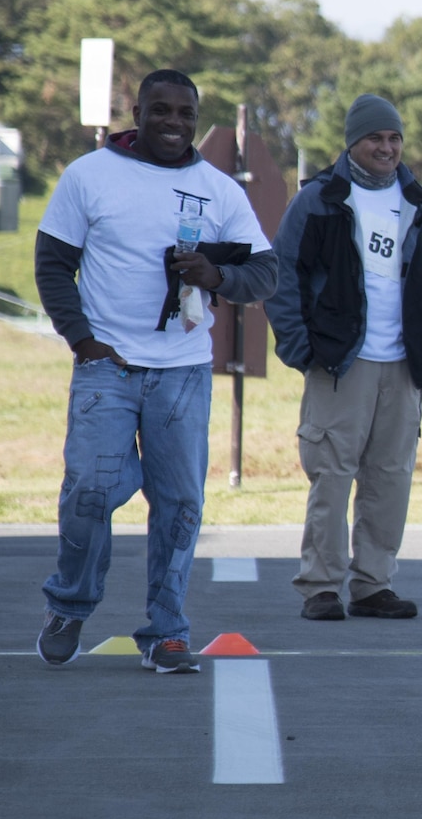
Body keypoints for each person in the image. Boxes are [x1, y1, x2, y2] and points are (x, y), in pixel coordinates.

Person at [32, 69, 277, 671]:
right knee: (89, 493)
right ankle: (71, 602)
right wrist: (83, 341)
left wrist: (217, 277)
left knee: (180, 505)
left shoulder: (219, 190)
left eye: (185, 113)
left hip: (183, 372)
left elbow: (266, 272)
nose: (173, 123)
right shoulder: (89, 174)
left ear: (197, 118)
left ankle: (167, 631)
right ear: (136, 112)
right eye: (160, 110)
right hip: (106, 368)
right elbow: (52, 264)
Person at [266, 93, 422, 623]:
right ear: (353, 142)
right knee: (331, 474)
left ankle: (374, 585)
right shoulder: (320, 200)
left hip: (403, 367)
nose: (386, 147)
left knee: (391, 477)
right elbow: (282, 275)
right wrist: (300, 348)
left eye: (394, 138)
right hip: (338, 362)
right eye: (376, 138)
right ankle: (321, 586)